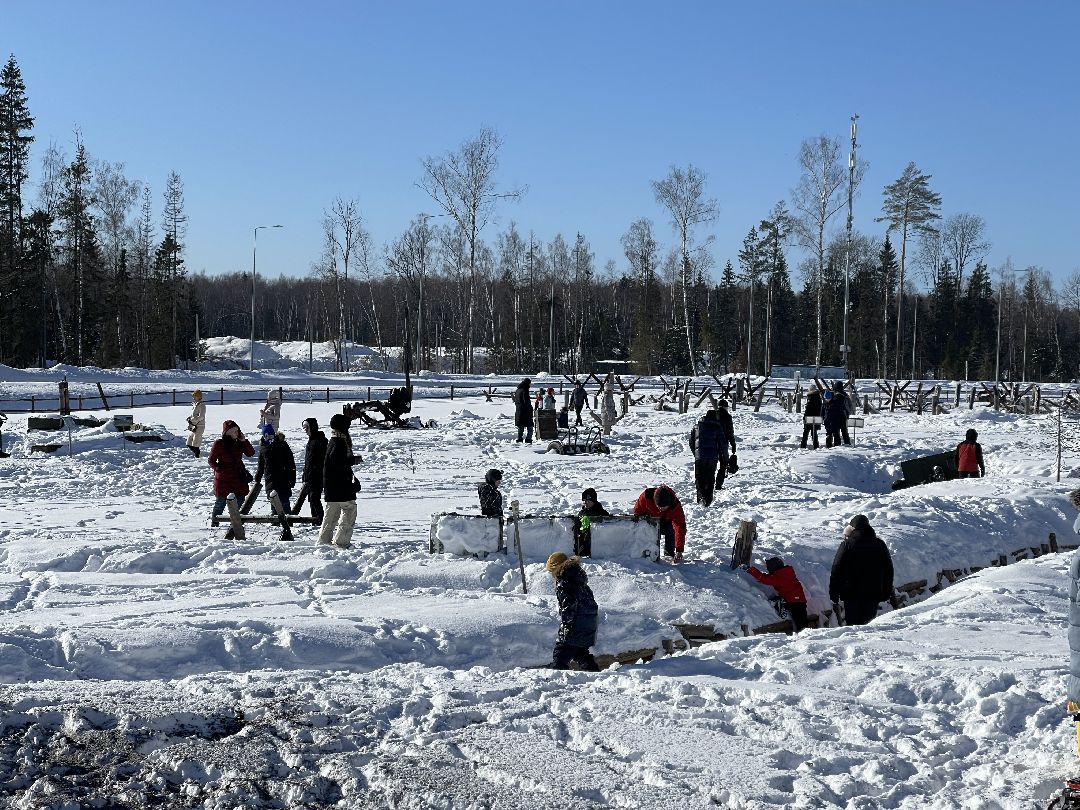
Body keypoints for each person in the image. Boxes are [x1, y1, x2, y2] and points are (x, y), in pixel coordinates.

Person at [829, 514, 895, 626]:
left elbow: (837, 568)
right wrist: (886, 591)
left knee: (853, 627)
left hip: (851, 593)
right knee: (868, 625)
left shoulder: (847, 544)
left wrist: (834, 592)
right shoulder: (879, 544)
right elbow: (888, 570)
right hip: (872, 593)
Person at [546, 552, 600, 672]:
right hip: (588, 622)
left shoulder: (565, 583)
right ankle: (594, 673)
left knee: (560, 653)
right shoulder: (578, 578)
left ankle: (556, 676)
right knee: (580, 652)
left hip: (576, 623)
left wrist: (567, 626)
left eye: (551, 572)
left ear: (556, 569)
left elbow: (568, 606)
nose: (552, 575)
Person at [207, 420, 256, 535]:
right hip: (224, 479)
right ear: (227, 432)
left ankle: (235, 526)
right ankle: (214, 525)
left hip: (238, 477)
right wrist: (219, 469)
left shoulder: (239, 442)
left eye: (237, 430)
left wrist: (244, 441)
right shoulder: (219, 443)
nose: (236, 433)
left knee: (240, 502)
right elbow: (211, 460)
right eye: (233, 431)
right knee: (220, 503)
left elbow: (251, 453)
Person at [320, 413, 359, 548]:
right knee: (350, 510)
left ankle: (323, 541)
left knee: (331, 513)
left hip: (332, 486)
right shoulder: (340, 443)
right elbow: (338, 463)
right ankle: (341, 542)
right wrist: (352, 460)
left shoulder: (333, 440)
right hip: (340, 486)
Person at [744, 556, 810, 631]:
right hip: (800, 600)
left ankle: (803, 637)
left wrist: (750, 570)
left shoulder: (778, 577)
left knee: (800, 625)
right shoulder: (787, 573)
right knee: (803, 621)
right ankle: (806, 635)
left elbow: (763, 578)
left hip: (793, 603)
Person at [633, 485, 687, 563]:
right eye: (659, 507)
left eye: (665, 507)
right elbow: (637, 514)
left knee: (672, 528)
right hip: (650, 522)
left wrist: (679, 550)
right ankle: (646, 551)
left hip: (666, 524)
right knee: (645, 530)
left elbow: (680, 526)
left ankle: (669, 552)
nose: (662, 509)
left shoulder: (675, 505)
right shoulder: (646, 497)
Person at [689, 409, 728, 507]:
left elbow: (691, 442)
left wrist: (696, 453)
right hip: (712, 458)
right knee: (710, 477)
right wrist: (724, 459)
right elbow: (723, 445)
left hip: (700, 457)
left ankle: (701, 497)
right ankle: (708, 499)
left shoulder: (697, 427)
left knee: (699, 477)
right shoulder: (717, 428)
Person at [291, 418, 327, 525]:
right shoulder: (311, 440)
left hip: (318, 475)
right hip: (310, 476)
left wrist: (316, 470)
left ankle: (320, 520)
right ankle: (315, 520)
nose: (305, 430)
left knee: (314, 498)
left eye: (306, 427)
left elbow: (321, 460)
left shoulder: (320, 440)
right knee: (311, 499)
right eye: (304, 428)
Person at [255, 425, 296, 515]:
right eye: (266, 436)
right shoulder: (263, 448)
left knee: (285, 503)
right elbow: (261, 465)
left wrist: (292, 478)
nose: (269, 438)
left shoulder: (282, 445)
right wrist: (258, 477)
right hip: (270, 480)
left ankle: (288, 523)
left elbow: (290, 463)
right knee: (273, 502)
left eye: (271, 436)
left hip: (283, 480)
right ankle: (275, 523)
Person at [575, 487, 611, 556]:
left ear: (593, 500)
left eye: (587, 500)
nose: (585, 503)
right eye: (584, 501)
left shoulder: (602, 513)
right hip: (582, 544)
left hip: (597, 547)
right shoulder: (582, 513)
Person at [824, 381, 852, 448]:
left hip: (833, 416)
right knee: (844, 431)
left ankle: (834, 445)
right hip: (843, 415)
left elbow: (828, 405)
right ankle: (847, 444)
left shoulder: (834, 395)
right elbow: (849, 406)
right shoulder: (845, 395)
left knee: (834, 431)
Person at [715, 398, 737, 480]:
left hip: (712, 442)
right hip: (723, 443)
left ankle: (710, 483)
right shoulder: (727, 417)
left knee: (712, 464)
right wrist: (733, 444)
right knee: (723, 464)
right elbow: (730, 432)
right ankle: (718, 484)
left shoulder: (713, 415)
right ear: (725, 407)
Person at [185, 389, 206, 457]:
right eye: (193, 396)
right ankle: (198, 454)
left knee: (195, 444)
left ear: (199, 397)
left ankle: (198, 457)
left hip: (199, 426)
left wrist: (193, 420)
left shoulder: (202, 405)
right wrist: (189, 418)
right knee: (189, 443)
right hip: (193, 426)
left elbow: (201, 416)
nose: (193, 398)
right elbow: (194, 415)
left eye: (195, 396)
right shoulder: (194, 405)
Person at [513, 378, 534, 444]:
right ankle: (528, 440)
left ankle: (519, 439)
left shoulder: (518, 390)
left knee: (520, 427)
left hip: (519, 410)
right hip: (525, 411)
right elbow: (526, 401)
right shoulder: (525, 390)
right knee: (530, 427)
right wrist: (530, 408)